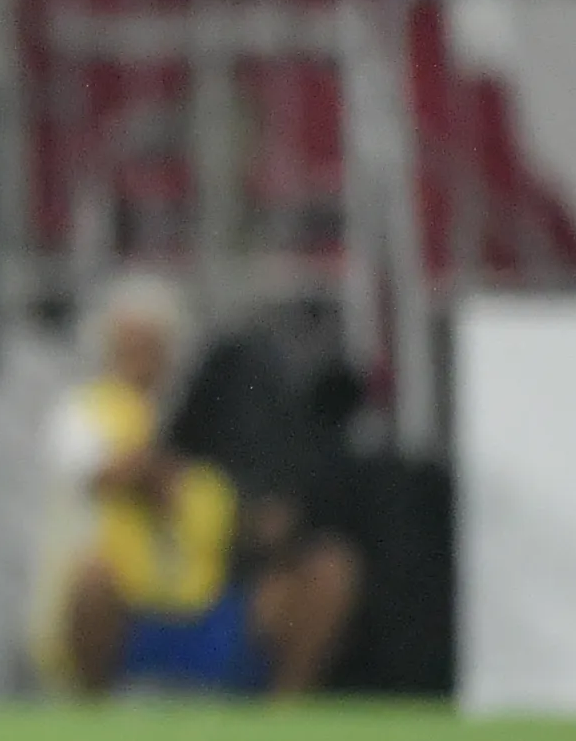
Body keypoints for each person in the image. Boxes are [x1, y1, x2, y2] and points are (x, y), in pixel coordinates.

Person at [31, 277, 353, 699]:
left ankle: (284, 713)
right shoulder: (85, 413)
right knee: (94, 579)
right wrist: (155, 472)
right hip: (128, 604)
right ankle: (92, 709)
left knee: (327, 571)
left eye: (151, 346)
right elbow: (99, 473)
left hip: (211, 594)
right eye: (128, 347)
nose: (139, 360)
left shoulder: (207, 408)